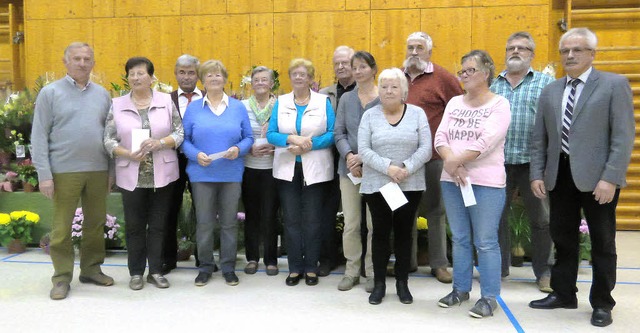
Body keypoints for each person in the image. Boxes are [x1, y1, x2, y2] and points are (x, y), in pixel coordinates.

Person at [528, 28, 635, 328]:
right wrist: (537, 173)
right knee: (562, 238)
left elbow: (623, 136)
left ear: (592, 54)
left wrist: (610, 178)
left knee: (602, 242)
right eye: (565, 51)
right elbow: (540, 138)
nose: (570, 55)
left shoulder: (614, 85)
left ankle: (602, 302)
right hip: (558, 176)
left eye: (577, 49)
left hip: (599, 179)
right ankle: (563, 293)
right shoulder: (550, 90)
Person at [31, 42, 114, 300]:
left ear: (93, 63)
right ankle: (61, 277)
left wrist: (111, 171)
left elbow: (111, 135)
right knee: (62, 227)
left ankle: (91, 269)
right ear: (65, 62)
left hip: (98, 170)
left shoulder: (103, 94)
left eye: (87, 58)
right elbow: (38, 136)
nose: (82, 63)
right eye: (76, 58)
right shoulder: (50, 93)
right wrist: (44, 174)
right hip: (63, 171)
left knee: (95, 223)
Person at [435, 50, 510, 318]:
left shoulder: (499, 104)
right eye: (462, 71)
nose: (464, 75)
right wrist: (451, 162)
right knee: (460, 238)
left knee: (486, 241)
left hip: (486, 183)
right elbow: (441, 136)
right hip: (452, 181)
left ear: (486, 72)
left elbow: (487, 141)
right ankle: (460, 289)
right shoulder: (455, 103)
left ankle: (489, 297)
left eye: (470, 70)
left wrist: (456, 161)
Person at [104, 57, 184, 290]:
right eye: (132, 74)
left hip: (163, 174)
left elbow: (180, 133)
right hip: (131, 174)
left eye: (141, 73)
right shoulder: (117, 104)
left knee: (159, 225)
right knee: (135, 226)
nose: (136, 78)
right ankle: (136, 272)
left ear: (151, 77)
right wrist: (126, 153)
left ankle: (156, 270)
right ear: (127, 77)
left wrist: (160, 143)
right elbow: (107, 139)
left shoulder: (166, 101)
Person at [358, 68, 431, 305]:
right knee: (379, 233)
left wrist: (405, 169)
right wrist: (389, 168)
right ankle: (379, 284)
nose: (388, 91)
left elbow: (426, 149)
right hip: (377, 184)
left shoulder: (417, 114)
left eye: (394, 86)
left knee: (403, 234)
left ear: (404, 91)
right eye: (384, 86)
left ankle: (402, 283)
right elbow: (364, 150)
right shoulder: (369, 116)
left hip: (410, 184)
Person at [490, 31, 554, 292]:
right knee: (496, 218)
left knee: (541, 219)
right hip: (497, 164)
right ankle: (499, 268)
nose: (515, 52)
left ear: (532, 54)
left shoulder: (546, 84)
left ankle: (544, 272)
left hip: (533, 165)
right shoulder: (493, 85)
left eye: (522, 48)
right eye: (511, 48)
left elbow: (554, 125)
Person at [181, 60, 254, 287]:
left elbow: (248, 138)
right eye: (209, 75)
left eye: (218, 75)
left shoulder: (238, 107)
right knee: (203, 223)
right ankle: (204, 267)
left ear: (225, 79)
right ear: (203, 80)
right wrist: (196, 155)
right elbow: (184, 140)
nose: (214, 78)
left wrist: (238, 149)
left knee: (229, 223)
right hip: (202, 174)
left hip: (231, 174)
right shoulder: (193, 108)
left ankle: (229, 267)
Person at [267, 58, 335, 287]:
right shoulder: (281, 101)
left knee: (313, 220)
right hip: (287, 168)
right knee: (292, 220)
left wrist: (309, 145)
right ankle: (295, 267)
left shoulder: (323, 101)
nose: (298, 77)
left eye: (303, 73)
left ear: (311, 78)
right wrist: (290, 139)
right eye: (294, 73)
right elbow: (271, 133)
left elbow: (333, 133)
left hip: (315, 169)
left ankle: (311, 267)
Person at [403, 31, 463, 283]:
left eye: (419, 48)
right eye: (410, 47)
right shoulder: (398, 77)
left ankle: (439, 264)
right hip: (404, 160)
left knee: (436, 211)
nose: (414, 52)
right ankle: (408, 262)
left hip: (435, 158)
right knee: (406, 211)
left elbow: (459, 109)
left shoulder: (443, 77)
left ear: (429, 51)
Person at [334, 51, 379, 292]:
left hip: (376, 171)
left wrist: (366, 158)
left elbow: (386, 135)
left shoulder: (384, 98)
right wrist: (350, 156)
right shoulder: (346, 100)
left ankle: (371, 272)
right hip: (348, 169)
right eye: (355, 67)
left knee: (374, 225)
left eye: (363, 67)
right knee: (351, 223)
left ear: (373, 69)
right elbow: (338, 133)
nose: (359, 71)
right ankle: (352, 271)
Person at [163, 54, 204, 274]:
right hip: (172, 160)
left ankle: (203, 258)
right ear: (176, 73)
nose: (186, 77)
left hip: (201, 159)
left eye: (191, 72)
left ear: (198, 74)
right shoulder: (164, 100)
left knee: (203, 210)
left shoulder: (211, 97)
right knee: (170, 209)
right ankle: (168, 259)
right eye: (182, 72)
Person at [318, 45, 356, 276]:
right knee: (326, 211)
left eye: (346, 62)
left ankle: (357, 260)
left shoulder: (364, 92)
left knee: (356, 214)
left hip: (355, 161)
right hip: (327, 160)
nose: (341, 67)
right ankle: (327, 258)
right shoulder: (323, 94)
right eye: (337, 63)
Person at [241, 66, 280, 276]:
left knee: (271, 215)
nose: (261, 83)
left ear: (272, 83)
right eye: (257, 79)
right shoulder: (242, 106)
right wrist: (249, 148)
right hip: (249, 167)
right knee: (252, 215)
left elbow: (288, 131)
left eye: (265, 79)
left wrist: (275, 146)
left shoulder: (281, 105)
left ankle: (271, 259)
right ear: (251, 83)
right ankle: (252, 258)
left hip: (273, 168)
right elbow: (236, 133)